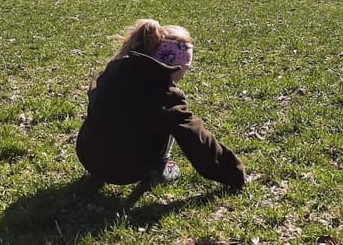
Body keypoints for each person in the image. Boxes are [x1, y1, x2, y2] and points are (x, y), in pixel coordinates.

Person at [75, 19, 245, 189]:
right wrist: (233, 173)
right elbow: (198, 141)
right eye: (185, 69)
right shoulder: (167, 97)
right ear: (173, 67)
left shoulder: (114, 70)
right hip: (127, 171)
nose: (184, 76)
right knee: (171, 121)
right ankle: (160, 169)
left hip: (88, 158)